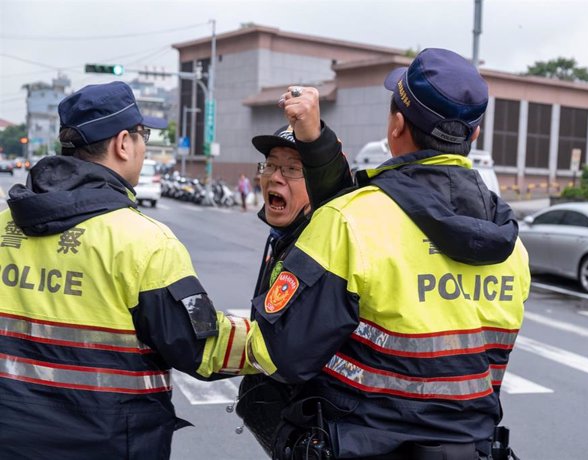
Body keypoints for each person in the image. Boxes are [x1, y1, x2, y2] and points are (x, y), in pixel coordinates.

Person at [242, 49, 530, 459]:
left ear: (396, 124)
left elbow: (279, 355)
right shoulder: (511, 244)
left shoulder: (350, 221)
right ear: (474, 136)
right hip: (472, 448)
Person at [0, 81, 251, 460]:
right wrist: (278, 339)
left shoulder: (5, 226)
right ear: (122, 143)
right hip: (107, 443)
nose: (144, 146)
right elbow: (201, 346)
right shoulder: (145, 242)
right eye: (143, 135)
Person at [235, 85, 353, 454]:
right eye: (269, 165)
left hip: (320, 428)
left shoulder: (326, 235)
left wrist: (314, 134)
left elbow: (337, 186)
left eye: (292, 169)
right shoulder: (281, 236)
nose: (274, 177)